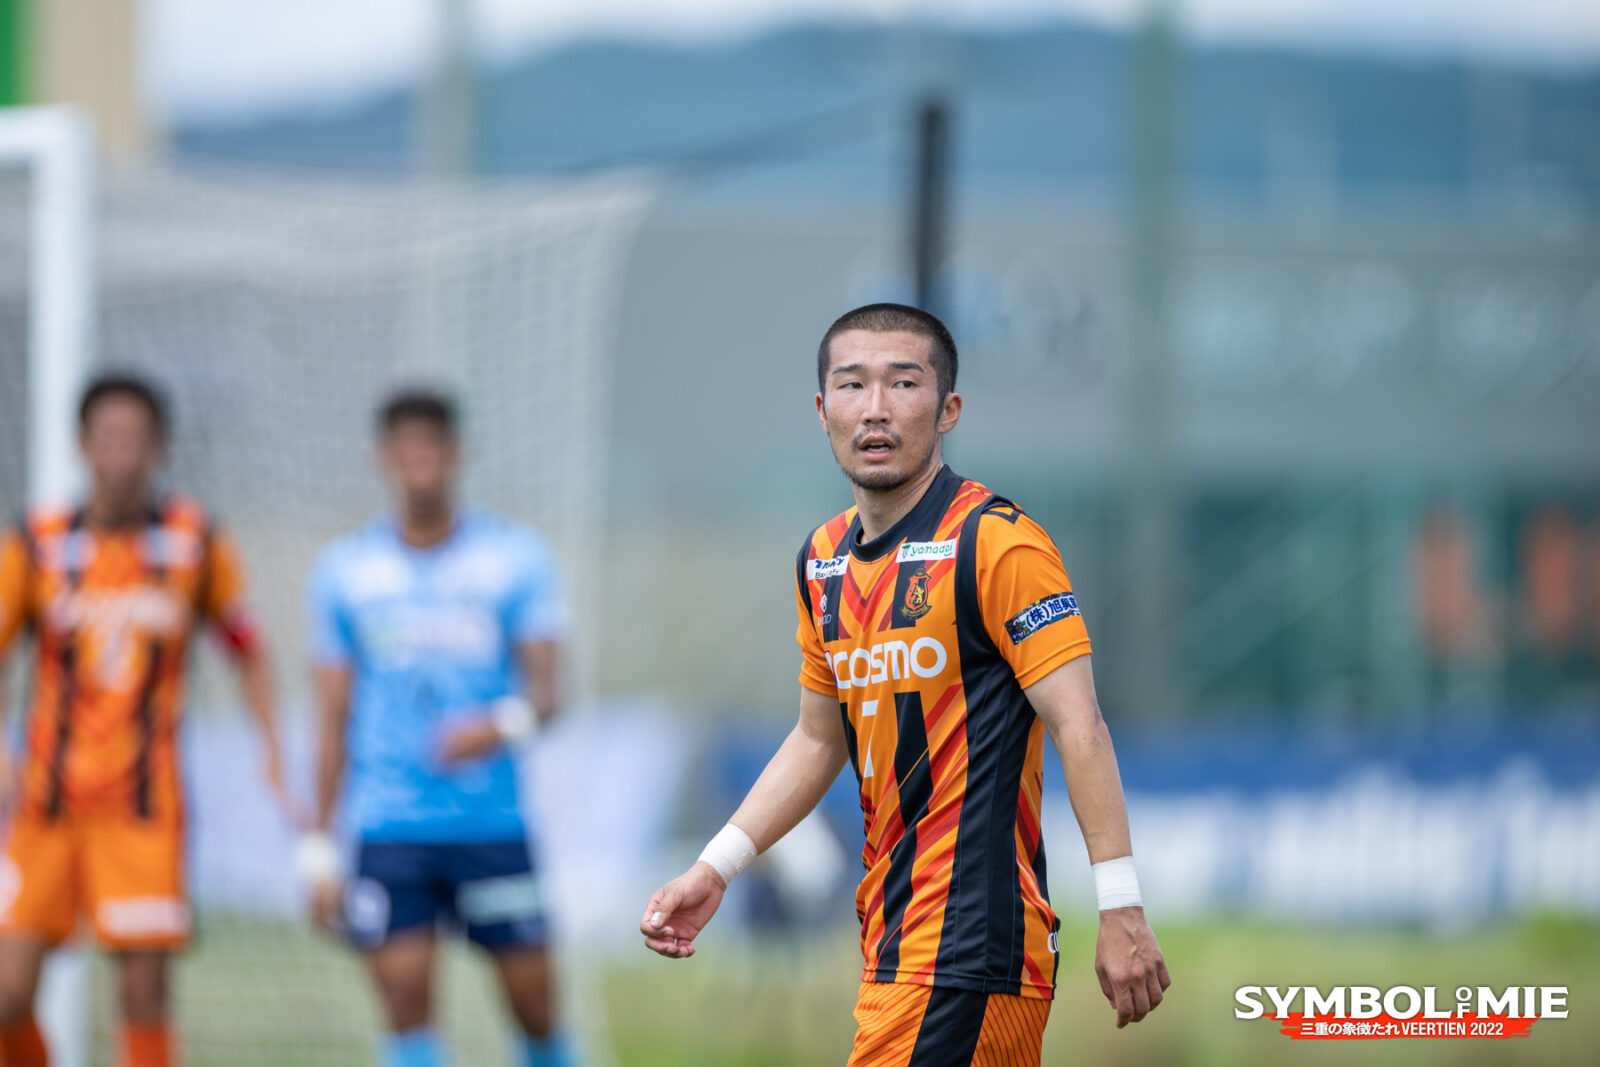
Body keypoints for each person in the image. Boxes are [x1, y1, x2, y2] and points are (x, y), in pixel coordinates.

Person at [640, 304, 1170, 1064]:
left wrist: (1120, 905)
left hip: (968, 942)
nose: (876, 408)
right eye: (852, 384)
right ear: (822, 410)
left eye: (904, 383)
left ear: (948, 409)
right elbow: (817, 738)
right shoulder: (822, 559)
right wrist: (715, 868)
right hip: (892, 940)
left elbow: (1079, 724)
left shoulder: (996, 542)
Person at [0, 373, 286, 1067]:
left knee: (142, 992)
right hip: (45, 806)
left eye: (135, 439)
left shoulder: (194, 541)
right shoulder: (37, 541)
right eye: (108, 438)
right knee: (6, 992)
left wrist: (271, 749)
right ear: (82, 446)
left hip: (144, 809)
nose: (121, 455)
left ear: (158, 448)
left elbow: (248, 647)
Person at [301, 389, 571, 1067]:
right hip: (390, 825)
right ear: (384, 458)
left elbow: (550, 694)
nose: (419, 462)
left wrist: (496, 725)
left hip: (490, 824)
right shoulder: (345, 571)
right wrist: (319, 846)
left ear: (456, 455)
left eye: (432, 448)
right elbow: (331, 715)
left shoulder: (515, 558)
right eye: (406, 449)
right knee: (403, 1001)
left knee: (536, 1008)